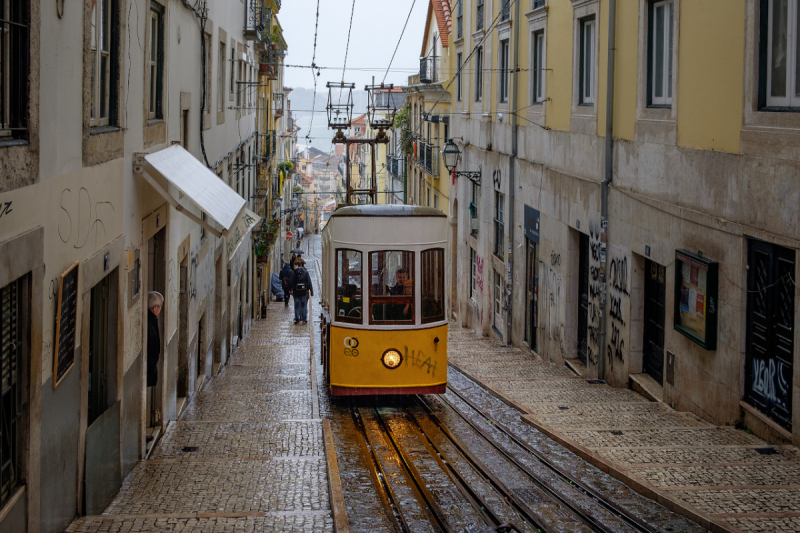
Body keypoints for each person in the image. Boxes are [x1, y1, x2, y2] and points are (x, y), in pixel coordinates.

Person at [146, 291, 163, 435]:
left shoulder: (151, 320)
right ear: (155, 307)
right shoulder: (149, 323)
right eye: (160, 307)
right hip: (148, 367)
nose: (160, 310)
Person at [289, 260, 314, 325]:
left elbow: (291, 282)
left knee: (296, 306)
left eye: (294, 266)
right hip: (303, 292)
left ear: (296, 265)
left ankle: (297, 320)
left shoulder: (293, 272)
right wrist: (308, 289)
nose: (294, 267)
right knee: (304, 306)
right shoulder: (305, 272)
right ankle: (304, 319)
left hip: (296, 292)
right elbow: (308, 281)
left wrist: (290, 289)